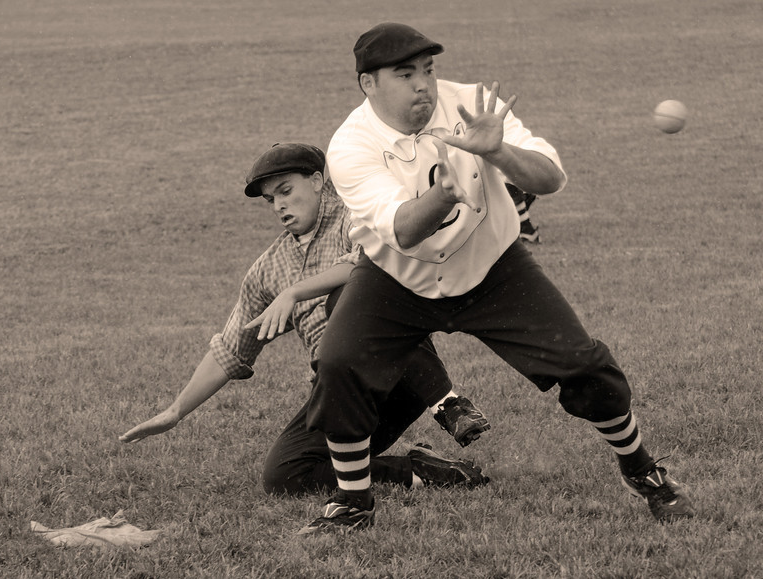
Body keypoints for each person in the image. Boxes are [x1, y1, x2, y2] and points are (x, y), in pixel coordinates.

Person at [298, 23, 695, 534]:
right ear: (368, 84)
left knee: (583, 363)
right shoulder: (351, 145)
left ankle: (643, 472)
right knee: (339, 364)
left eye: (428, 70)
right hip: (396, 277)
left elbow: (551, 178)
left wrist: (497, 151)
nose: (423, 83)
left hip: (493, 265)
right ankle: (353, 504)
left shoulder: (474, 106)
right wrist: (442, 195)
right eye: (405, 74)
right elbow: (402, 232)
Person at [119, 143, 491, 495]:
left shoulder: (355, 215)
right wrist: (175, 411)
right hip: (342, 390)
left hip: (401, 373)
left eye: (285, 190)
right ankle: (420, 470)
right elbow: (232, 350)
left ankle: (449, 404)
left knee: (349, 297)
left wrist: (295, 292)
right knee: (286, 474)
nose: (279, 205)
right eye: (271, 200)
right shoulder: (268, 270)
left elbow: (372, 263)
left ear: (316, 181)